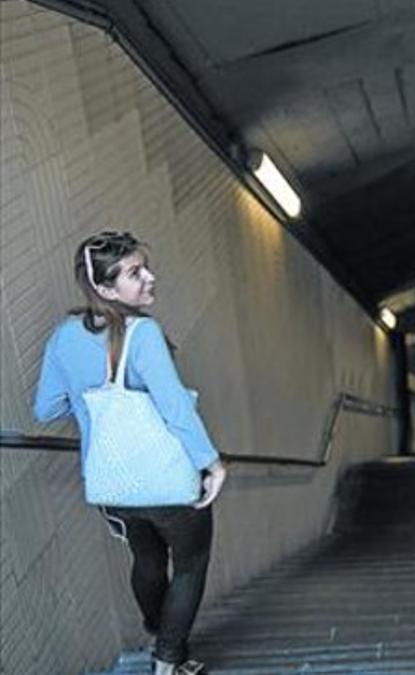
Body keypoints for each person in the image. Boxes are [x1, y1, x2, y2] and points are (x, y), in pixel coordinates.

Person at [34, 231, 227, 675]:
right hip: (169, 481)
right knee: (190, 566)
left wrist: (90, 402)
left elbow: (46, 408)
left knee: (147, 560)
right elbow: (174, 406)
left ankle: (161, 636)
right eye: (135, 273)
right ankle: (168, 660)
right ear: (104, 289)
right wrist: (212, 463)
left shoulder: (63, 338)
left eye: (145, 267)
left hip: (112, 483)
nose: (149, 278)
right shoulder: (143, 332)